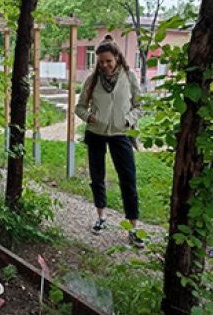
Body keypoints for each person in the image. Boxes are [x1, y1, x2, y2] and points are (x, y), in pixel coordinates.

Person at [74, 34, 143, 247]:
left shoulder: (129, 77)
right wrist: (90, 117)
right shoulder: (92, 79)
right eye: (101, 62)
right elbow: (79, 108)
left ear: (117, 58)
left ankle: (133, 228)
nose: (104, 65)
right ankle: (101, 217)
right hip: (96, 133)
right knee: (97, 177)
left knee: (128, 180)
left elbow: (139, 106)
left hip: (120, 134)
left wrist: (128, 120)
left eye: (108, 61)